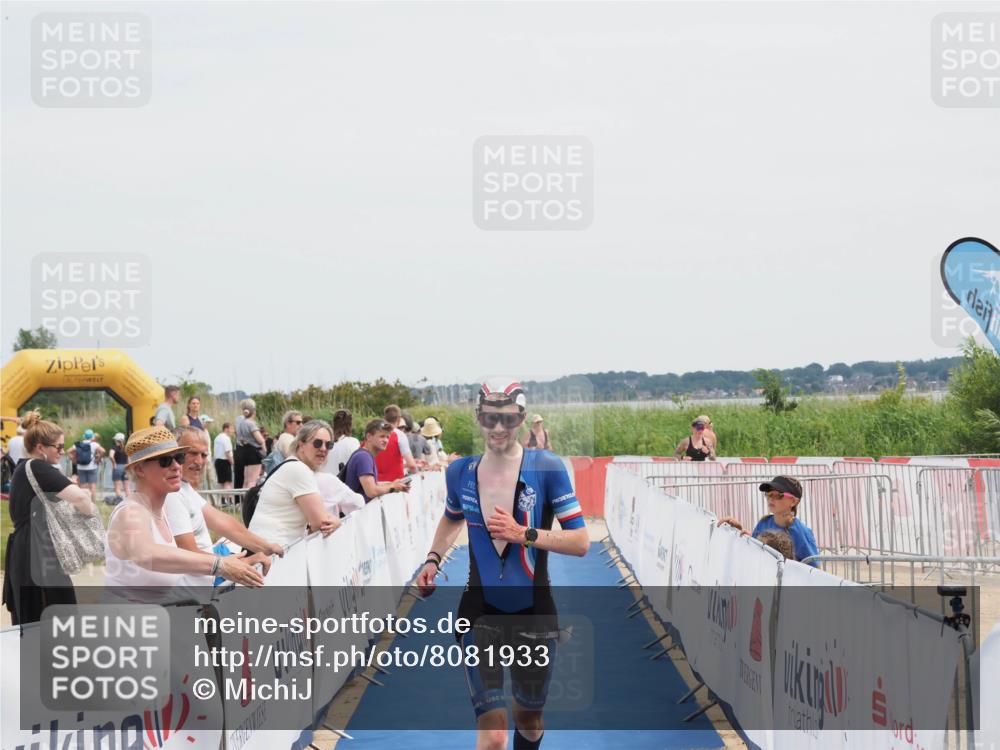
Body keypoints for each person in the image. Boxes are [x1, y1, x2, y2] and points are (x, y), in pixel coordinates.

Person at [416, 380, 588, 750]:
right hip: (479, 611)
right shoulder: (459, 471)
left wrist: (522, 533)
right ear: (479, 418)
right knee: (493, 734)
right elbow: (451, 517)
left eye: (507, 420)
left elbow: (580, 542)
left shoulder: (547, 467)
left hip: (534, 612)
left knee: (528, 718)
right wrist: (433, 558)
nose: (498, 428)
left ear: (521, 420)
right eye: (490, 418)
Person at [104, 427, 264, 593]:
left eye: (179, 458)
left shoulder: (161, 513)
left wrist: (236, 563)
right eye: (165, 461)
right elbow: (146, 554)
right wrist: (220, 564)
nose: (176, 466)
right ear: (139, 469)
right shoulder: (131, 512)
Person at [2, 411, 97, 625]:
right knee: (55, 618)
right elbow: (82, 499)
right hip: (38, 550)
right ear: (41, 448)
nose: (62, 452)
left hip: (25, 548)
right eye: (59, 447)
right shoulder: (37, 467)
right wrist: (88, 503)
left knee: (33, 619)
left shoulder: (23, 468)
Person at [164, 427, 283, 581]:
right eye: (192, 453)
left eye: (204, 455)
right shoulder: (173, 494)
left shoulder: (183, 488)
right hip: (188, 599)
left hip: (199, 591)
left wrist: (266, 546)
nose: (199, 461)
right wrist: (242, 563)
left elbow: (224, 522)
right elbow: (188, 553)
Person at [247, 420, 342, 546]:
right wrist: (337, 521)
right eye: (317, 443)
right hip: (269, 551)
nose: (323, 449)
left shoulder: (293, 465)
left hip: (268, 548)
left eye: (328, 445)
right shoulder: (299, 470)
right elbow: (321, 523)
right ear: (301, 444)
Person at [717, 476, 819, 566]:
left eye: (778, 495)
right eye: (769, 494)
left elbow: (815, 571)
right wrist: (739, 531)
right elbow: (753, 552)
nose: (771, 499)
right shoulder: (763, 523)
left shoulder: (802, 532)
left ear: (793, 501)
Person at [344, 419, 412, 503]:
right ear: (369, 437)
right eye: (382, 436)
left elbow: (373, 484)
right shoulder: (363, 457)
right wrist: (394, 487)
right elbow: (371, 491)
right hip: (357, 513)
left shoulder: (364, 455)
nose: (386, 440)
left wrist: (393, 483)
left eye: (388, 437)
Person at [374, 404, 417, 482]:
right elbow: (412, 465)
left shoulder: (375, 434)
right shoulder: (400, 435)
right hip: (396, 484)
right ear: (399, 419)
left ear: (384, 418)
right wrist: (418, 476)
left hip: (377, 484)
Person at [235, 398, 267, 489]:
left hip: (244, 451)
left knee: (246, 480)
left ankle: (244, 500)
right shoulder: (251, 423)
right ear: (253, 411)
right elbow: (260, 440)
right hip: (253, 453)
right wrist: (264, 449)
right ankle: (250, 501)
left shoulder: (240, 422)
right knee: (252, 480)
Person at [323, 409, 360, 476]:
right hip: (343, 483)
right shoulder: (353, 442)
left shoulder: (325, 442)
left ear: (334, 423)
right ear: (350, 424)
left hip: (324, 482)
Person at [71, 429, 105, 504]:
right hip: (92, 467)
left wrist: (74, 459)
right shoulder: (94, 444)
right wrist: (97, 460)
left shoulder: (78, 444)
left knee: (83, 486)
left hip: (80, 467)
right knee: (92, 486)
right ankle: (93, 504)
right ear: (92, 437)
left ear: (84, 436)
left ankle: (84, 503)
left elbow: (69, 451)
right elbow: (103, 451)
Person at [213, 421, 235, 495]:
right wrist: (233, 463)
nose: (233, 431)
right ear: (226, 429)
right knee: (227, 482)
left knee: (221, 483)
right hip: (225, 461)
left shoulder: (217, 437)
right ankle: (229, 501)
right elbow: (228, 452)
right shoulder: (226, 438)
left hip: (218, 461)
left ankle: (223, 501)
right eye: (231, 429)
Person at [109, 432, 129, 502]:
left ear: (116, 440)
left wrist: (114, 464)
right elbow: (129, 458)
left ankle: (119, 502)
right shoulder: (126, 447)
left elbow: (111, 456)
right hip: (126, 467)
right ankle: (129, 502)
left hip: (118, 467)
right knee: (126, 487)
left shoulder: (114, 447)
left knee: (118, 487)